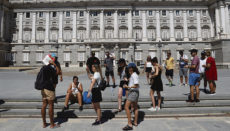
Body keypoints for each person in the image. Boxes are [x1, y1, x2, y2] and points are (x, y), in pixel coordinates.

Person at [41, 54, 60, 128]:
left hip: (43, 88)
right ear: (49, 60)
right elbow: (57, 72)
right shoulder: (50, 68)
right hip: (49, 88)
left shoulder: (43, 68)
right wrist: (54, 64)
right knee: (51, 105)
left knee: (44, 105)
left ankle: (44, 123)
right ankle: (52, 124)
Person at [122, 63, 140, 130]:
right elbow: (133, 82)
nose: (128, 69)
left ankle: (129, 124)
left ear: (132, 68)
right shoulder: (133, 75)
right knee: (135, 107)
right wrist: (128, 81)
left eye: (129, 68)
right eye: (128, 68)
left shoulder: (134, 75)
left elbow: (136, 85)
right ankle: (135, 122)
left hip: (133, 92)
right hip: (134, 92)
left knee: (126, 107)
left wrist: (128, 86)